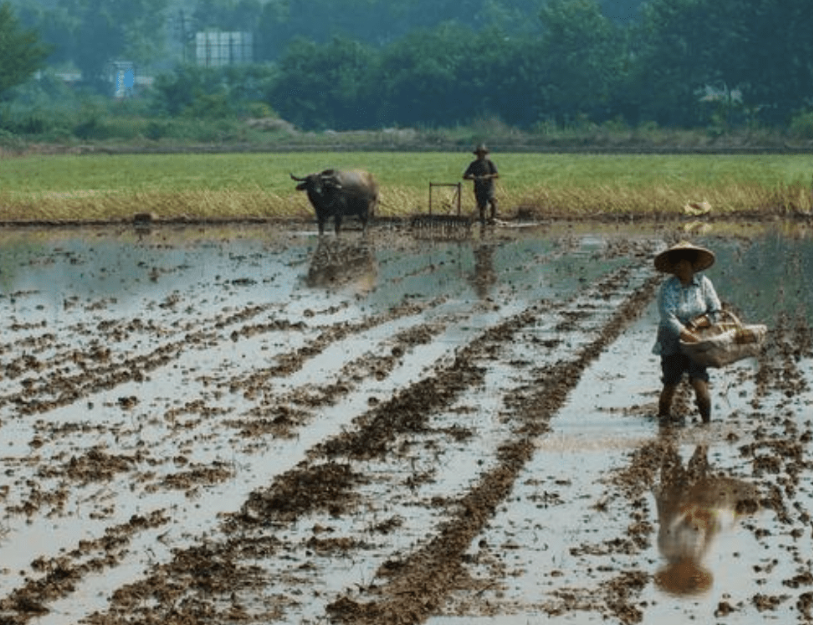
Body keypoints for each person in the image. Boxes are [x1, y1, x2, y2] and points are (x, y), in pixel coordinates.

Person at [652, 241, 721, 422]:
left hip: (698, 341)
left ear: (692, 265)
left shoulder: (704, 284)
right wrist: (686, 334)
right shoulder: (667, 288)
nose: (679, 267)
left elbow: (715, 312)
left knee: (699, 382)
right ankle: (663, 420)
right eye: (676, 263)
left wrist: (697, 323)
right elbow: (668, 318)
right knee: (670, 383)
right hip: (672, 342)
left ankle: (707, 423)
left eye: (683, 262)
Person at [462, 144, 499, 225]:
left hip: (488, 187)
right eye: (479, 154)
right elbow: (465, 176)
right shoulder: (474, 164)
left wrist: (488, 176)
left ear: (485, 154)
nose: (480, 155)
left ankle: (493, 218)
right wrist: (473, 177)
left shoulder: (489, 163)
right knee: (482, 206)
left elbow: (496, 175)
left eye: (482, 153)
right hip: (479, 187)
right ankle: (483, 223)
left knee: (492, 201)